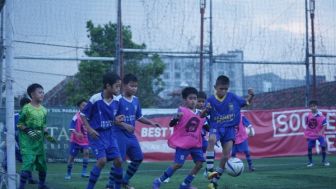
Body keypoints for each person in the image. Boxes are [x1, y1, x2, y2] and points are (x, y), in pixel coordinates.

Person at [108, 73, 161, 189]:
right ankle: (110, 185)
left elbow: (138, 117)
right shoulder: (117, 100)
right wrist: (124, 125)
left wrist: (151, 123)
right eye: (132, 86)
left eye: (136, 86)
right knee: (119, 160)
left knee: (138, 158)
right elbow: (111, 118)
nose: (134, 88)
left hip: (130, 135)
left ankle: (125, 181)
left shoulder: (136, 100)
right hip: (118, 134)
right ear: (124, 86)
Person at [200, 75, 254, 189]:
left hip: (230, 129)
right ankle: (209, 170)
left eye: (225, 89)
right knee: (211, 140)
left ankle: (213, 182)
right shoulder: (210, 100)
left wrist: (251, 95)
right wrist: (206, 110)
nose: (223, 91)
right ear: (215, 87)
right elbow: (202, 115)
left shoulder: (233, 97)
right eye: (221, 88)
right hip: (216, 127)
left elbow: (247, 103)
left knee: (226, 156)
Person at [81, 72, 129, 189]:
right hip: (97, 135)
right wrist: (90, 129)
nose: (119, 88)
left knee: (118, 160)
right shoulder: (95, 99)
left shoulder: (117, 100)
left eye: (119, 86)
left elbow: (115, 118)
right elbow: (82, 115)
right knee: (102, 160)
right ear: (108, 86)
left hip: (110, 134)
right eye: (117, 86)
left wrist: (118, 120)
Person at [152, 87, 206, 189]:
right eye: (191, 98)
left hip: (195, 143)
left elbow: (206, 125)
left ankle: (185, 184)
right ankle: (158, 181)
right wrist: (177, 118)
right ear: (185, 100)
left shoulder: (200, 113)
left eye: (195, 98)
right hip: (183, 143)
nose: (193, 101)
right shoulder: (181, 110)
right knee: (178, 164)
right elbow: (172, 124)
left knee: (199, 164)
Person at [17, 83, 57, 189]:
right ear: (32, 94)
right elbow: (20, 124)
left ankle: (41, 185)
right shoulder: (26, 108)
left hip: (39, 143)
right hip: (27, 143)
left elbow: (44, 125)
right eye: (40, 92)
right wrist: (30, 133)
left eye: (43, 92)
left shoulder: (44, 110)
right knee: (28, 163)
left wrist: (47, 135)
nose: (42, 94)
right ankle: (21, 187)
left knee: (42, 165)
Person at [2, 97, 37, 184]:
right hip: (13, 145)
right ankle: (6, 179)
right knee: (6, 163)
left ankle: (29, 179)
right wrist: (7, 143)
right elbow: (7, 132)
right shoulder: (14, 117)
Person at [65, 99, 90, 180]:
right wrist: (77, 133)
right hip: (76, 140)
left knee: (86, 153)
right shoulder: (76, 116)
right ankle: (68, 173)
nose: (85, 107)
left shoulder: (89, 116)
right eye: (83, 105)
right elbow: (71, 129)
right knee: (72, 157)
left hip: (85, 140)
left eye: (86, 105)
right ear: (79, 107)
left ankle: (84, 172)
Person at [304, 100, 330, 167]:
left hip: (319, 134)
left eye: (314, 106)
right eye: (311, 106)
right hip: (311, 134)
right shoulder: (308, 115)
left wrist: (321, 131)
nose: (312, 108)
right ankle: (310, 162)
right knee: (309, 147)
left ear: (316, 106)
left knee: (323, 146)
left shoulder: (321, 115)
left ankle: (324, 161)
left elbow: (325, 124)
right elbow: (307, 124)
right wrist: (308, 133)